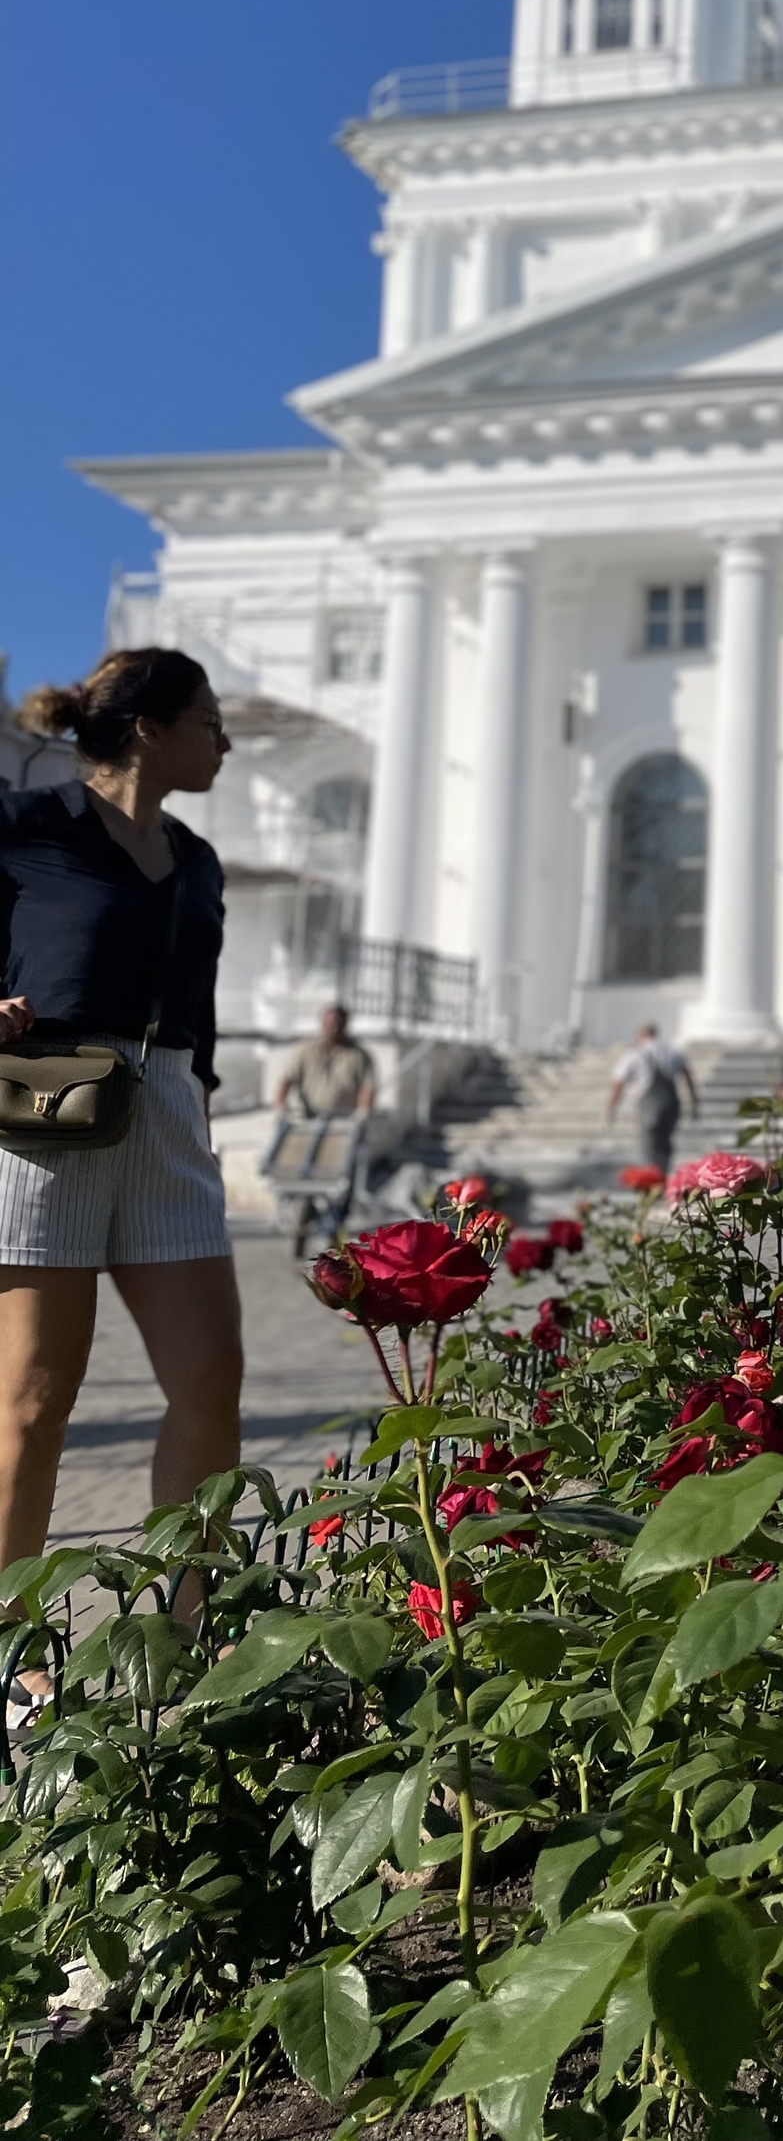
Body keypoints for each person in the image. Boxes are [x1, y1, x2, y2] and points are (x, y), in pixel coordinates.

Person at [0, 649, 239, 1713]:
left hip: (171, 1110)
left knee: (210, 1380)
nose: (222, 742)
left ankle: (189, 1626)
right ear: (147, 726)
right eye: (209, 721)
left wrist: (204, 1101)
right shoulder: (28, 825)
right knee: (35, 1397)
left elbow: (202, 999)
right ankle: (11, 1651)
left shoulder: (196, 859)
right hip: (48, 1097)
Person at [607, 1022, 697, 1173]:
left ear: (641, 1035)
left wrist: (612, 1107)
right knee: (666, 1141)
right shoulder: (673, 1051)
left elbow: (619, 1081)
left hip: (647, 1104)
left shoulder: (635, 1053)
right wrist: (694, 1101)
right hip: (671, 1103)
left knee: (649, 1143)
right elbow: (688, 1076)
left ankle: (652, 1179)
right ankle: (663, 1173)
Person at [274, 1004, 376, 1119]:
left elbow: (367, 1087)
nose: (332, 1029)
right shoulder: (304, 1051)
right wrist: (281, 1107)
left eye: (337, 1024)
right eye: (328, 1024)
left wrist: (362, 1113)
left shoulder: (358, 1055)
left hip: (345, 1119)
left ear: (344, 1025)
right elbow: (287, 1079)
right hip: (309, 1117)